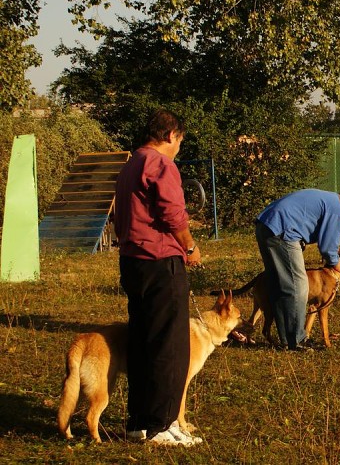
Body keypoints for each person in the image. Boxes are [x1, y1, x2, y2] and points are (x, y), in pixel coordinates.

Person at [115, 109, 203, 446]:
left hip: (133, 260)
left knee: (142, 340)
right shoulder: (161, 164)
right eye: (180, 139)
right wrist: (190, 247)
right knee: (170, 342)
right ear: (171, 136)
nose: (179, 146)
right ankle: (162, 424)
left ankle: (139, 422)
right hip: (161, 259)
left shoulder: (131, 162)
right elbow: (172, 213)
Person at [255, 188, 340, 350]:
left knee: (278, 283)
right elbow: (328, 247)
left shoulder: (326, 199)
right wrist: (336, 262)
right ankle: (297, 340)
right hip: (282, 232)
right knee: (298, 285)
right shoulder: (337, 209)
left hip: (266, 226)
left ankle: (287, 339)